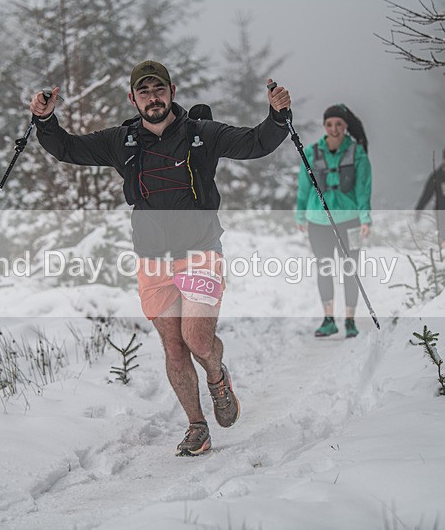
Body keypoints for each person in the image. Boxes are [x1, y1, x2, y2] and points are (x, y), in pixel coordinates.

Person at [29, 60, 292, 456]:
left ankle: (218, 378)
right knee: (173, 346)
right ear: (133, 98)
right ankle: (197, 427)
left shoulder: (201, 134)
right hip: (153, 260)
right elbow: (68, 149)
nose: (153, 98)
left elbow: (257, 143)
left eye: (159, 89)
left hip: (201, 251)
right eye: (145, 91)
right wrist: (45, 121)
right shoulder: (123, 141)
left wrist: (277, 115)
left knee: (196, 337)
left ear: (172, 90)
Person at [295, 104, 372, 339]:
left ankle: (350, 320)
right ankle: (328, 319)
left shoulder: (357, 153)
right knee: (325, 268)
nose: (334, 128)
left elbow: (363, 189)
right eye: (329, 124)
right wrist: (300, 214)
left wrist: (365, 218)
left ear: (346, 126)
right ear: (324, 126)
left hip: (350, 221)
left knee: (351, 269)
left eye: (339, 124)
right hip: (318, 221)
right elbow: (303, 188)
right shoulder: (311, 152)